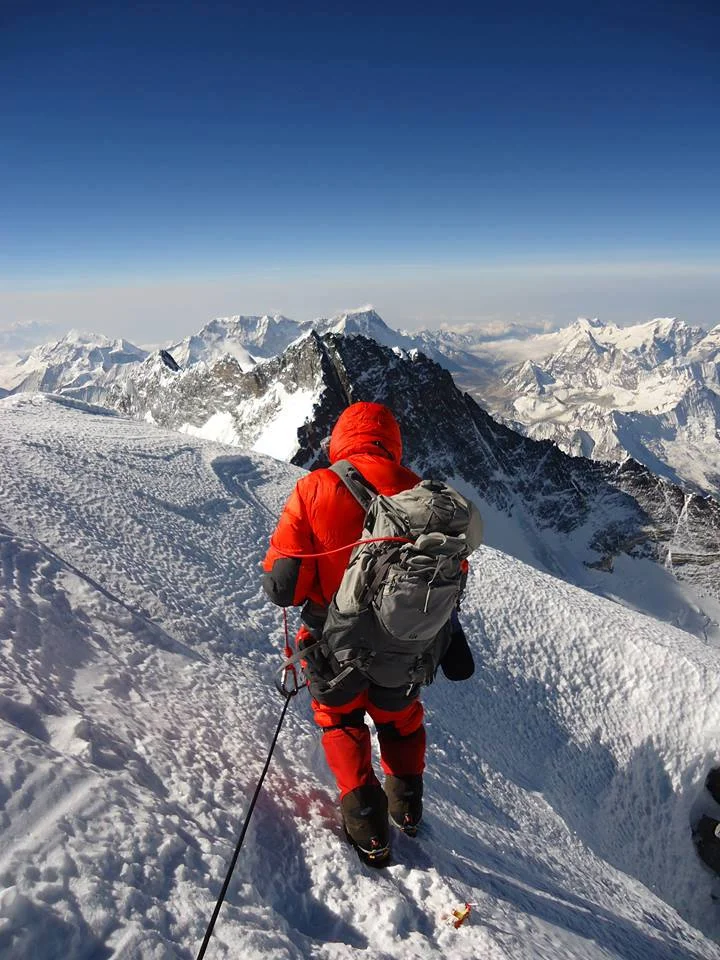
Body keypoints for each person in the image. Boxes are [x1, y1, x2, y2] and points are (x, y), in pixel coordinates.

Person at [262, 401, 475, 864]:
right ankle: (408, 808)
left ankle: (367, 826)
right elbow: (450, 574)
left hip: (331, 647)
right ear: (393, 443)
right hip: (404, 649)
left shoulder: (314, 488)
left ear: (339, 439)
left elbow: (284, 587)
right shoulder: (424, 496)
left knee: (341, 722)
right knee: (399, 721)